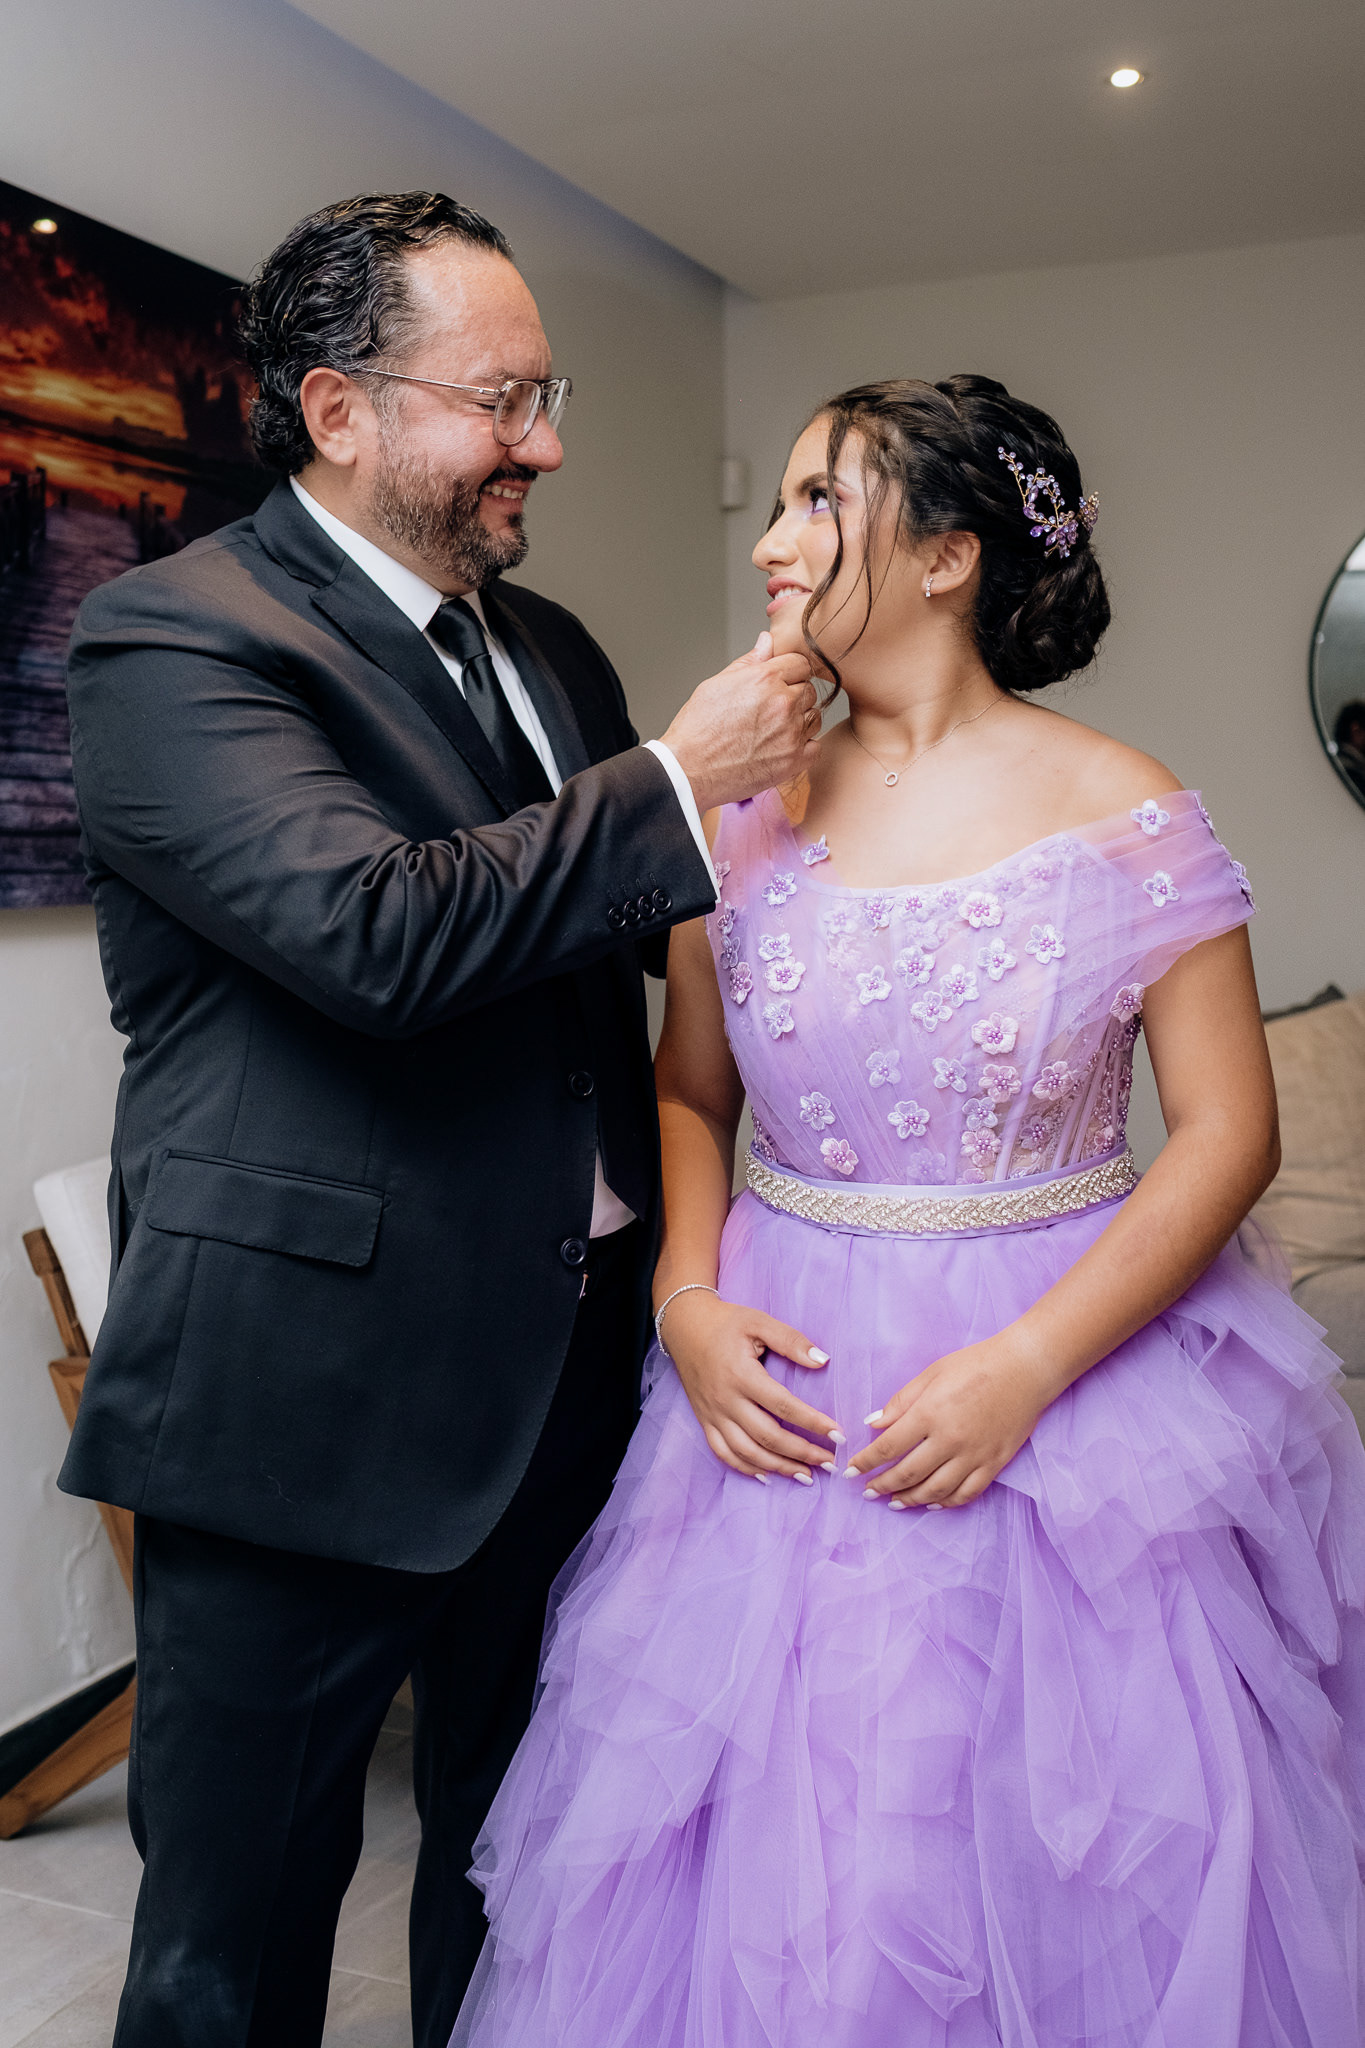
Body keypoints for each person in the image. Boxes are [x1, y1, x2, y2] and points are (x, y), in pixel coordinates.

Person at [450, 375, 1365, 2046]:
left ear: (948, 557)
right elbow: (688, 1090)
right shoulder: (740, 808)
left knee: (1061, 1822)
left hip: (1070, 1369)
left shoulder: (1119, 801)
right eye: (779, 501)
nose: (770, 539)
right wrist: (685, 1302)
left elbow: (1225, 1135)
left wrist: (1025, 1369)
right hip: (780, 1376)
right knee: (785, 1833)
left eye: (818, 500)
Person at [57, 191, 818, 2048]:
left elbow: (618, 945)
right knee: (234, 1945)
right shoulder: (172, 639)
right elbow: (374, 936)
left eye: (546, 396)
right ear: (338, 410)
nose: (542, 444)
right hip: (309, 1399)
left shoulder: (548, 645)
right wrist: (680, 780)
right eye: (501, 401)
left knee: (523, 1877)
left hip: (574, 1369)